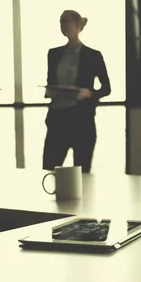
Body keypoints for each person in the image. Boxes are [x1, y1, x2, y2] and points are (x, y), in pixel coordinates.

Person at [42, 10, 111, 173]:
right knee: (48, 170)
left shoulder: (93, 55)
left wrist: (89, 93)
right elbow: (51, 82)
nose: (62, 26)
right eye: (61, 22)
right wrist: (51, 90)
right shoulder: (54, 54)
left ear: (78, 25)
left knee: (82, 172)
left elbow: (106, 88)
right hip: (57, 118)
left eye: (66, 22)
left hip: (82, 119)